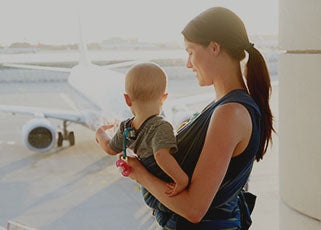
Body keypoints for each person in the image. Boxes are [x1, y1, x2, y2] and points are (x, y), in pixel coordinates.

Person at [125, 6, 275, 229]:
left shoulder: (229, 113)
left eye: (191, 52)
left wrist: (140, 174)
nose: (188, 63)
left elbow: (194, 209)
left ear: (214, 47)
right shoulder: (224, 106)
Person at [95, 62, 189, 227]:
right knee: (172, 214)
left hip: (148, 192)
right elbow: (161, 155)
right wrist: (181, 179)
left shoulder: (127, 127)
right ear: (164, 98)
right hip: (161, 188)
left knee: (163, 214)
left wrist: (101, 134)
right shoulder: (162, 126)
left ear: (127, 99)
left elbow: (110, 148)